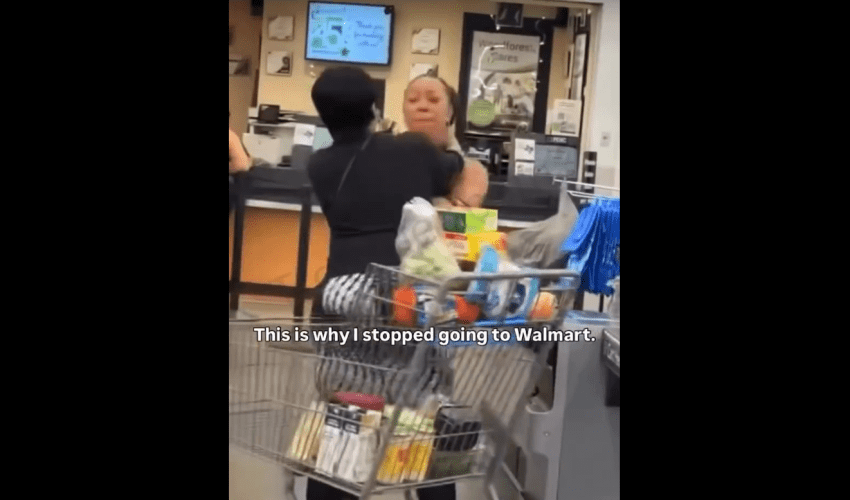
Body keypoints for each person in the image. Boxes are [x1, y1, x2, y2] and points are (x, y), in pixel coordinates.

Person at [305, 66, 465, 500]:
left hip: (341, 302)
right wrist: (444, 131)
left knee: (346, 416)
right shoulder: (412, 149)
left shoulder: (319, 165)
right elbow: (451, 170)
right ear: (376, 107)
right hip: (405, 302)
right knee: (424, 418)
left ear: (323, 117)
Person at [403, 75, 489, 208]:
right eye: (413, 100)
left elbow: (468, 219)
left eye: (433, 100)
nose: (422, 106)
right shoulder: (387, 156)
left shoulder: (471, 171)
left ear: (450, 112)